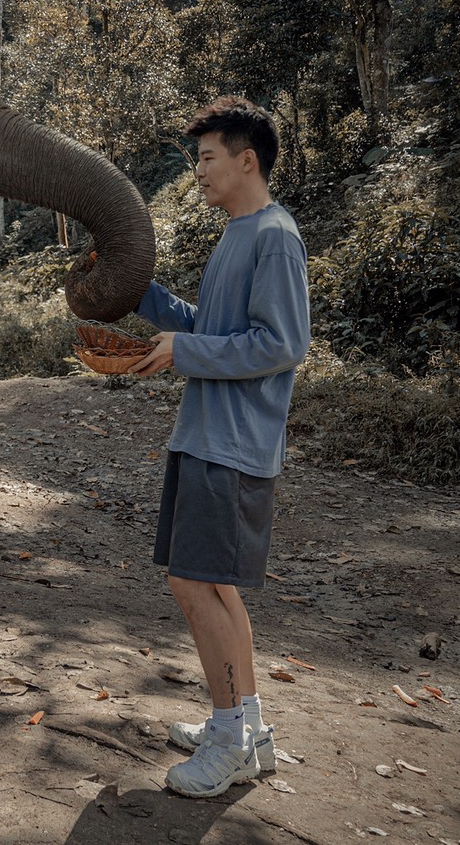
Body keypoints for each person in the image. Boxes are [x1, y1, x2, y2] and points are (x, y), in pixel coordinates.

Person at [130, 96, 311, 799]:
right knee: (213, 584)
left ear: (247, 159)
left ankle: (230, 736)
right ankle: (248, 730)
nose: (198, 170)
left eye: (207, 157)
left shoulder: (275, 235)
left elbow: (281, 343)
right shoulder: (238, 232)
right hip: (209, 434)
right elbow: (212, 325)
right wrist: (144, 297)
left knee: (193, 583)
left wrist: (187, 349)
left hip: (234, 444)